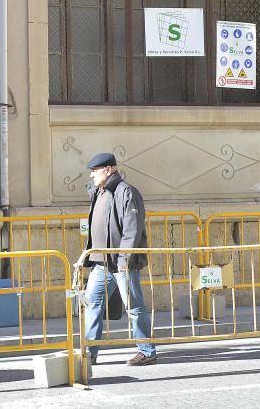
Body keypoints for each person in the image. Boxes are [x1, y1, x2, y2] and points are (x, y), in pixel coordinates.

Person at [82, 152, 157, 367]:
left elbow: (132, 230)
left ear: (108, 170)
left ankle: (147, 350)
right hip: (101, 263)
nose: (91, 176)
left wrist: (124, 260)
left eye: (94, 171)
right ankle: (90, 352)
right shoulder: (101, 192)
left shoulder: (126, 192)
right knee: (91, 305)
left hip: (121, 264)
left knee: (134, 307)